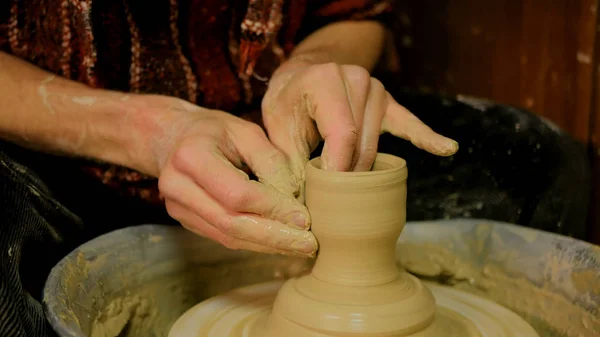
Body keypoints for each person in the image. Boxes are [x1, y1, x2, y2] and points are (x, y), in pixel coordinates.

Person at [0, 1, 457, 336]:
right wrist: (149, 131)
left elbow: (356, 14)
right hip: (61, 151)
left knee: (522, 161)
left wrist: (312, 65)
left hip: (285, 143)